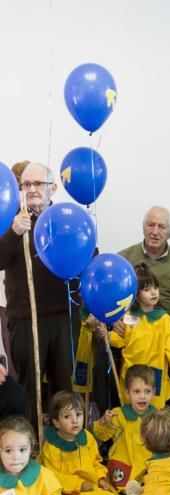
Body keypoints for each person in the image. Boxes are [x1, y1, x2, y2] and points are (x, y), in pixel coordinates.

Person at [0, 162, 78, 424]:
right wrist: (14, 232)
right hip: (24, 317)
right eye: (26, 184)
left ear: (53, 188)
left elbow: (87, 257)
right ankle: (30, 447)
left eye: (38, 184)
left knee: (64, 384)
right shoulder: (9, 218)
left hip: (62, 315)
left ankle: (64, 445)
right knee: (28, 386)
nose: (32, 189)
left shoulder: (66, 218)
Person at [40, 391, 135, 495]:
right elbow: (52, 476)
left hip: (92, 487)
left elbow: (96, 461)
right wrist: (78, 484)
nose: (75, 421)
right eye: (67, 416)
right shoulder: (51, 447)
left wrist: (100, 478)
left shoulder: (87, 438)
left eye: (78, 414)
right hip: (69, 494)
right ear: (56, 422)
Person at [105, 264, 170, 409]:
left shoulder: (165, 320)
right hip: (131, 372)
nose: (153, 293)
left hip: (154, 373)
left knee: (154, 412)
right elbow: (120, 339)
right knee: (132, 409)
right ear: (136, 293)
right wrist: (107, 336)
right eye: (147, 289)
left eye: (155, 288)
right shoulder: (129, 317)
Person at [119, 206, 170, 320]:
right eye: (151, 225)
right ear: (143, 228)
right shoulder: (124, 259)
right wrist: (115, 321)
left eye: (162, 227)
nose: (155, 232)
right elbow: (111, 298)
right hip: (133, 327)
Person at [91, 364, 156, 494]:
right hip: (124, 466)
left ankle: (141, 494)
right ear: (127, 393)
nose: (142, 396)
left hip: (148, 467)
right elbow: (101, 435)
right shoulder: (118, 414)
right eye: (136, 392)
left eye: (147, 391)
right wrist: (104, 422)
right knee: (120, 490)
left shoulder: (157, 417)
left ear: (154, 392)